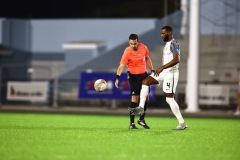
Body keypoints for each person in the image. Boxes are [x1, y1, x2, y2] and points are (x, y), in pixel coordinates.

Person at [129, 26, 188, 130]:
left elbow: (176, 60)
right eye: (161, 33)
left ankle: (182, 123)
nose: (162, 35)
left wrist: (162, 67)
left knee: (169, 99)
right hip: (164, 72)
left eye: (163, 33)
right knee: (146, 81)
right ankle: (141, 107)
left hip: (171, 73)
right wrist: (162, 69)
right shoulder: (167, 44)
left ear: (169, 33)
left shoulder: (174, 43)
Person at [115, 34, 155, 129]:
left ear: (138, 42)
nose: (133, 46)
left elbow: (147, 58)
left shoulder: (144, 47)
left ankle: (141, 119)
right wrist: (117, 77)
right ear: (129, 42)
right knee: (135, 99)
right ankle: (132, 124)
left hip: (143, 75)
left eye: (135, 43)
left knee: (146, 98)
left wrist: (152, 70)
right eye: (131, 44)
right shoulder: (127, 51)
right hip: (133, 76)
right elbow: (121, 65)